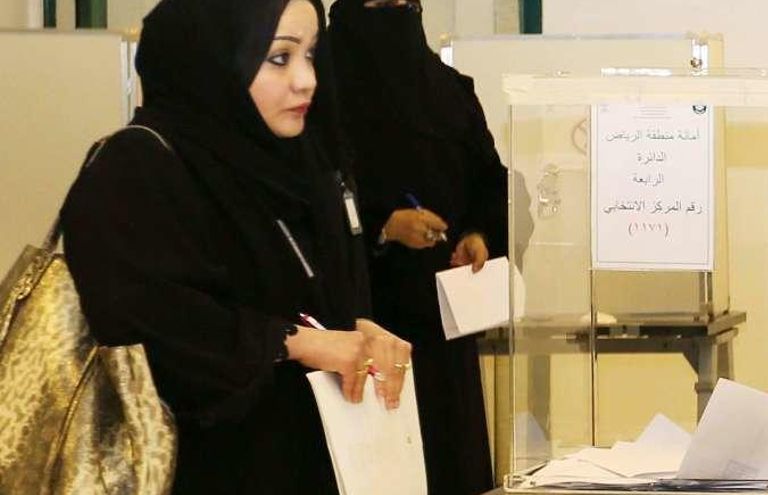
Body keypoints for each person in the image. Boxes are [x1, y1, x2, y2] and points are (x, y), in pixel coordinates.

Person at [60, 0, 412, 493]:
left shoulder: (302, 165)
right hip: (196, 468)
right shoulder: (138, 169)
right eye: (279, 58)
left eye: (311, 55)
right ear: (211, 58)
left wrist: (354, 330)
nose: (306, 79)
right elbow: (146, 321)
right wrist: (299, 342)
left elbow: (299, 287)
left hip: (313, 460)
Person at [328, 1, 509, 493]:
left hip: (443, 330)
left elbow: (490, 186)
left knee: (449, 464)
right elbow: (307, 205)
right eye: (379, 5)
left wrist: (479, 236)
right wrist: (383, 227)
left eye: (403, 4)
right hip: (356, 329)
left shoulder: (449, 90)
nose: (393, 12)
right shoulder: (319, 90)